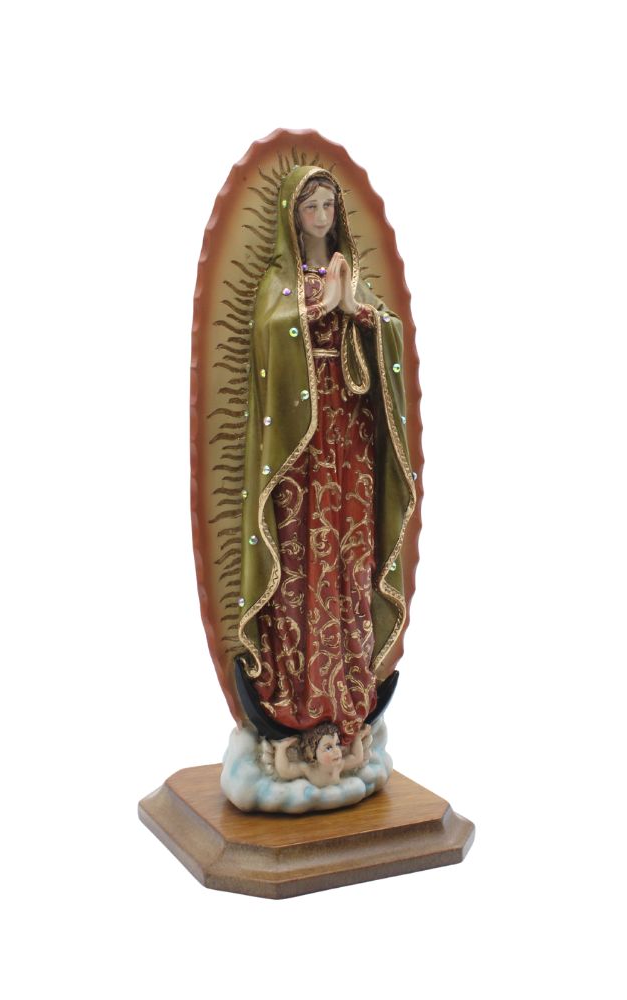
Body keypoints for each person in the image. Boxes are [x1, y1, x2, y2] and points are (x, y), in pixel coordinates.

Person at [236, 165, 416, 749]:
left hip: (349, 436)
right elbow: (270, 334)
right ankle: (297, 689)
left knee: (350, 551)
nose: (321, 217)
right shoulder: (279, 282)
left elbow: (387, 330)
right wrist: (318, 309)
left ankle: (351, 687)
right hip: (300, 445)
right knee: (300, 552)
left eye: (328, 207)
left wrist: (355, 309)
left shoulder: (350, 273)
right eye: (310, 207)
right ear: (293, 216)